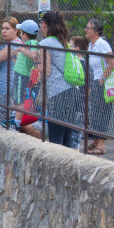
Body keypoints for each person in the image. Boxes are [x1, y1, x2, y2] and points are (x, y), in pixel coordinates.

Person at [38, 10, 81, 148]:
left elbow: (46, 69)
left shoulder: (46, 42)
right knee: (68, 137)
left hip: (58, 93)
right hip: (72, 92)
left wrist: (37, 65)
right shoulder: (64, 42)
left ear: (44, 24)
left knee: (56, 137)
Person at [83, 19, 114, 155]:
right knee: (94, 111)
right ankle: (96, 141)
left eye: (88, 27)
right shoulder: (91, 45)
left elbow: (111, 63)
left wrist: (103, 78)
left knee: (101, 112)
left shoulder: (102, 44)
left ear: (96, 31)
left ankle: (101, 145)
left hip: (102, 83)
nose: (86, 30)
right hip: (95, 82)